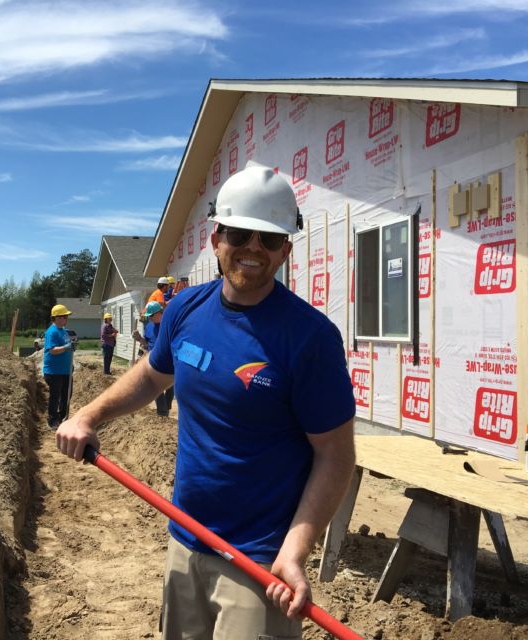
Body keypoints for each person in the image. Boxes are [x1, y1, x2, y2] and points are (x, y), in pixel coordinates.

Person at [55, 165, 356, 639]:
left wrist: (294, 553)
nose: (253, 248)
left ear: (285, 250)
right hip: (185, 541)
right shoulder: (185, 309)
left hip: (259, 564)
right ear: (217, 239)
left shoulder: (310, 338)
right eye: (239, 233)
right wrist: (89, 415)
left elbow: (335, 455)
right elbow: (151, 376)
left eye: (269, 239)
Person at [137, 301, 174, 417]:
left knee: (170, 386)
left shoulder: (168, 325)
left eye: (151, 315)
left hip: (168, 359)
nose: (150, 318)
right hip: (154, 360)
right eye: (148, 316)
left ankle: (166, 408)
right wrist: (139, 339)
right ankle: (162, 412)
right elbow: (146, 343)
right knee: (156, 386)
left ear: (159, 313)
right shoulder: (149, 326)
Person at [44, 303, 74, 428]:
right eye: (62, 317)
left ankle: (61, 417)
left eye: (66, 317)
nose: (65, 319)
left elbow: (68, 347)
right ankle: (52, 419)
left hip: (65, 370)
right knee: (55, 396)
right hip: (54, 371)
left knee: (67, 395)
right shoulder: (52, 332)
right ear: (55, 318)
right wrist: (67, 347)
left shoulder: (63, 331)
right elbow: (52, 350)